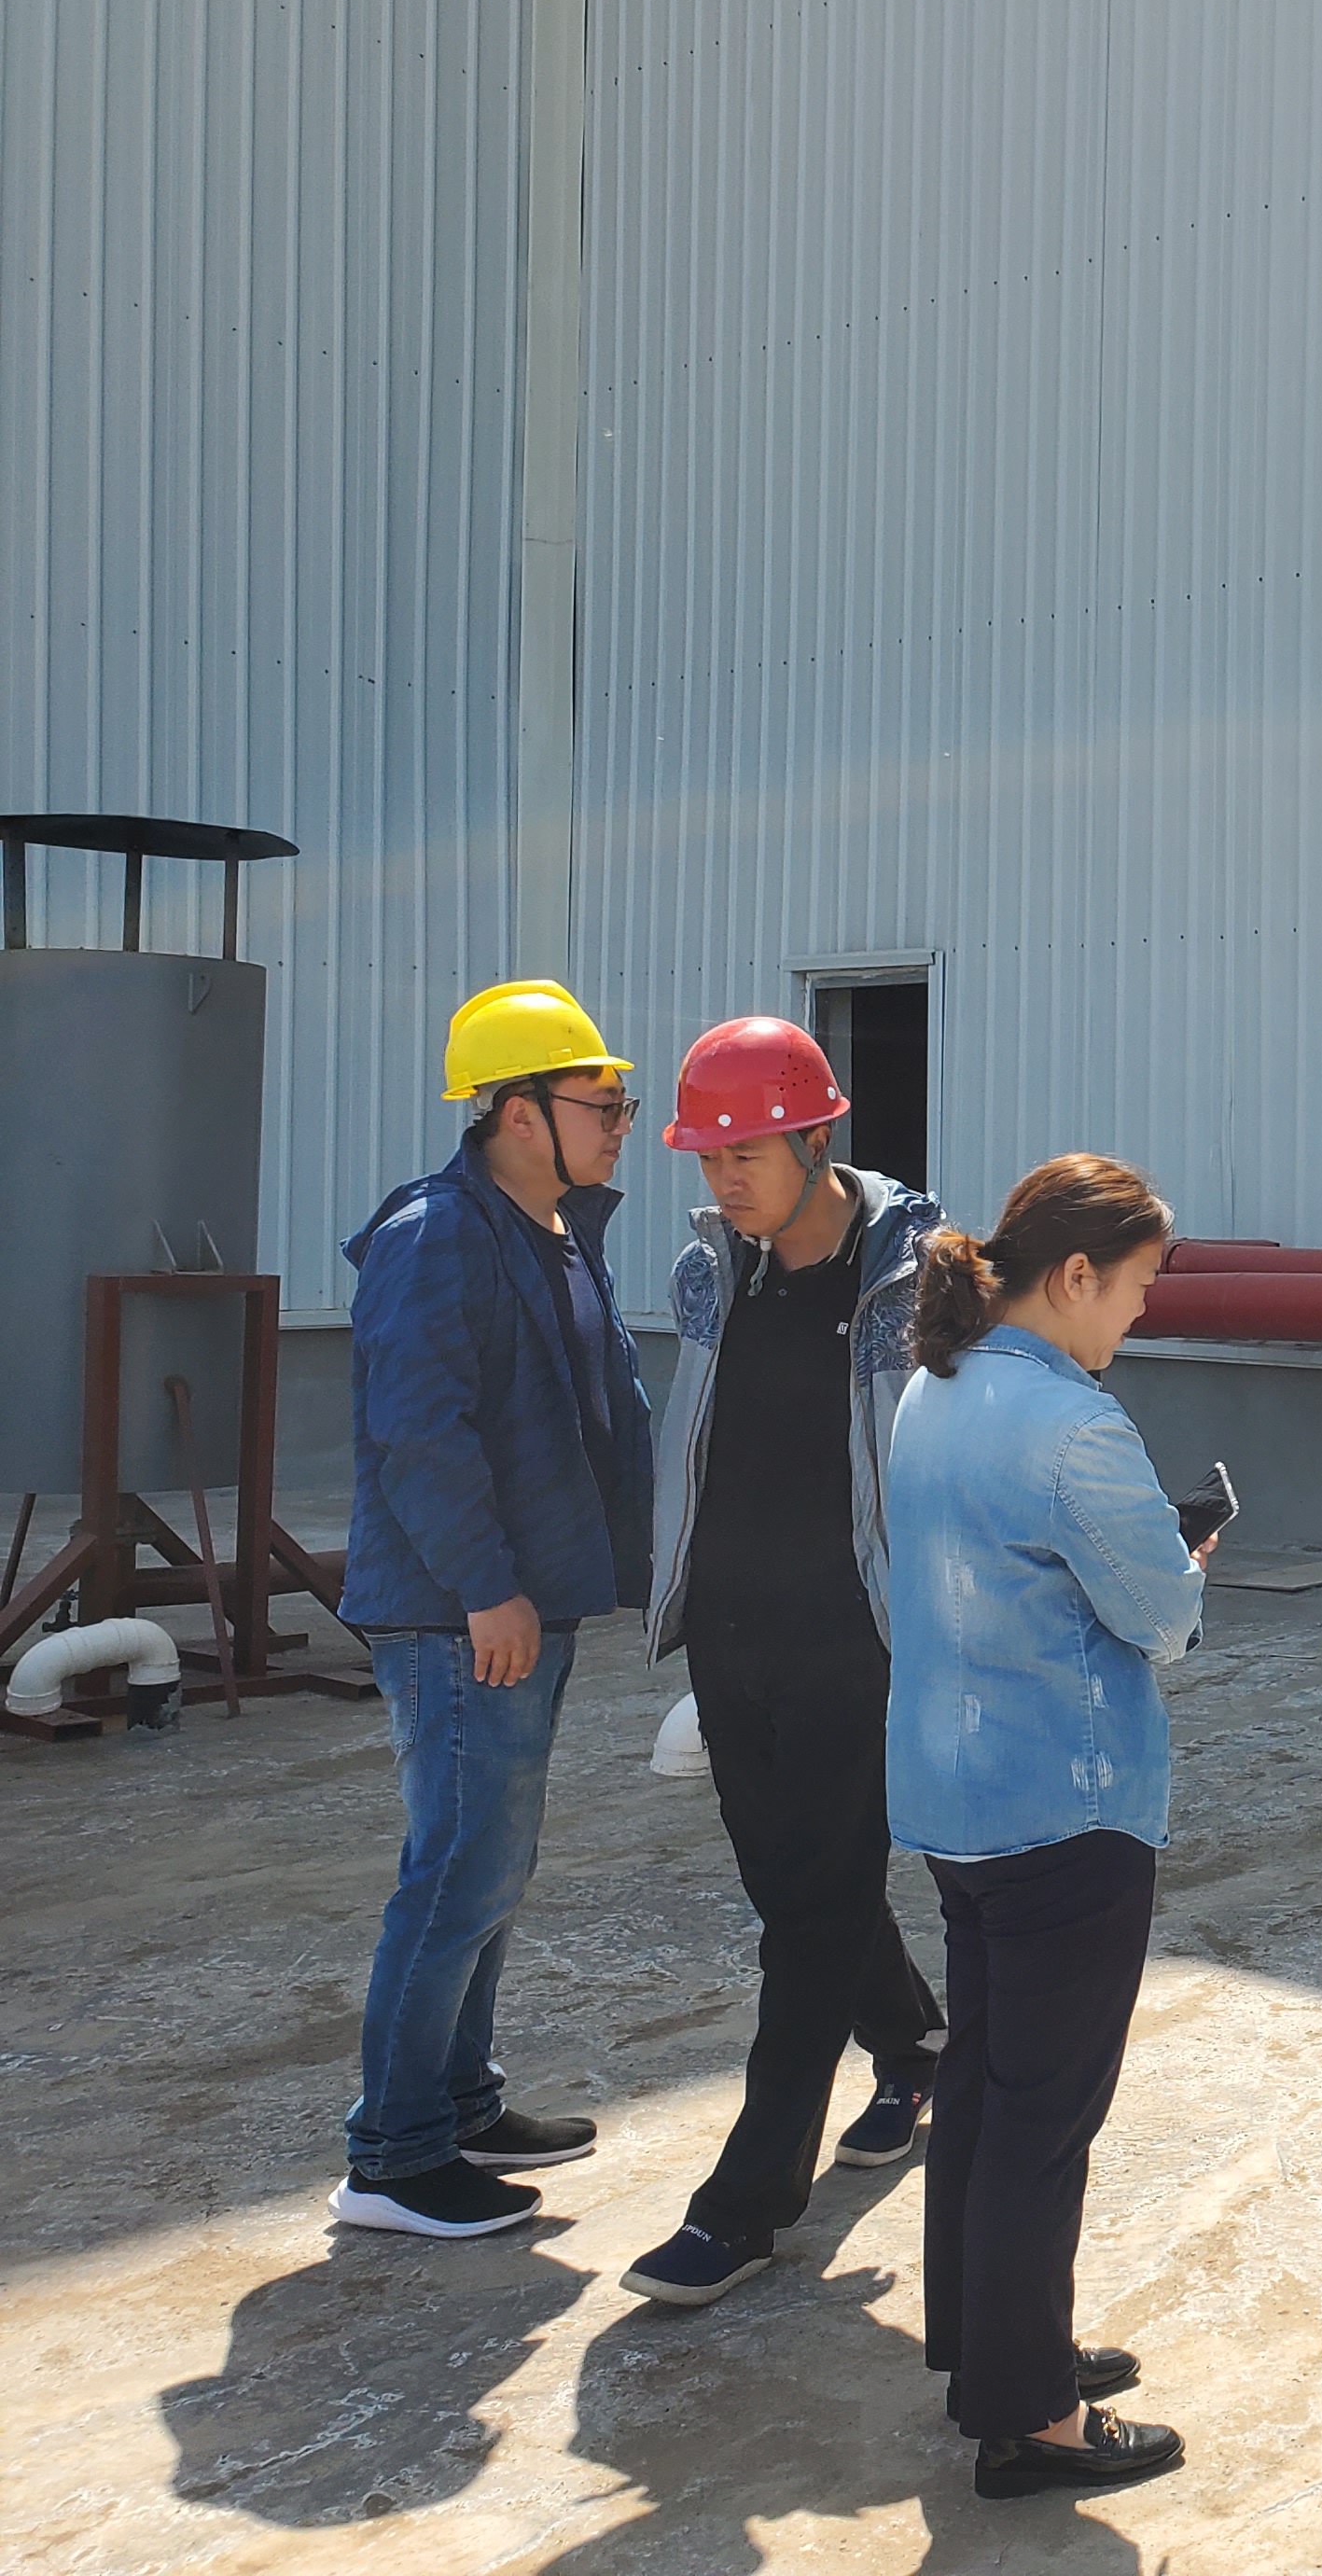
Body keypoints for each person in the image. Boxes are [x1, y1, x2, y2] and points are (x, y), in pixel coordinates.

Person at [885, 1155, 1204, 2499]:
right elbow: (1161, 1618)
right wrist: (1186, 1564)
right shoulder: (1076, 1427)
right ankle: (1031, 2417)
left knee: (984, 2082)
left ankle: (989, 2346)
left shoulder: (934, 1386)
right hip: (1066, 1805)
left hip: (953, 1798)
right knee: (1043, 2117)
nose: (1138, 1314)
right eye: (1134, 1288)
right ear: (1075, 1276)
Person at [619, 1018, 949, 2308]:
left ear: (818, 1138)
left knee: (809, 1915)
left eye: (746, 1153)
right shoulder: (714, 1271)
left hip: (856, 1639)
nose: (725, 1180)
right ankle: (915, 2043)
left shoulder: (916, 1276)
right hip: (731, 1631)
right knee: (796, 1891)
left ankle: (745, 2208)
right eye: (709, 1158)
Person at [329, 982, 654, 2241]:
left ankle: (459, 2103)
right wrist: (485, 1587)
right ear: (519, 1112)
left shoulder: (550, 1227)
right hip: (461, 1612)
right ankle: (394, 2157)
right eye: (600, 1103)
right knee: (459, 1870)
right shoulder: (437, 1234)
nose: (620, 1123)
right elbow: (419, 1431)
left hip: (521, 1599)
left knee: (491, 1868)